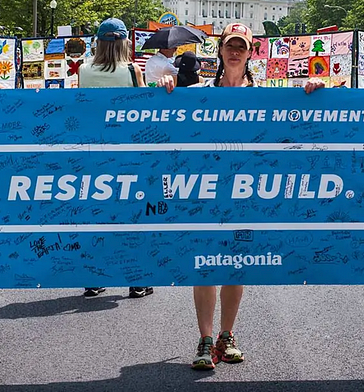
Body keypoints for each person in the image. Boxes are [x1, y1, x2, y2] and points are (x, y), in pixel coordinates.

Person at [156, 23, 325, 370]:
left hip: (247, 191)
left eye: (241, 47)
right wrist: (167, 86)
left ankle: (226, 336)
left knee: (236, 265)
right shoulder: (200, 92)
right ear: (220, 51)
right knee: (205, 265)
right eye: (229, 46)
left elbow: (298, 117)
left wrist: (316, 87)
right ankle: (204, 340)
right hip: (207, 190)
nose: (234, 52)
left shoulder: (264, 95)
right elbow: (173, 121)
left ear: (250, 53)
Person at [75, 18, 153, 300]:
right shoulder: (132, 70)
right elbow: (145, 110)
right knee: (132, 218)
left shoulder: (84, 71)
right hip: (127, 154)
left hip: (93, 155)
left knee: (96, 217)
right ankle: (137, 280)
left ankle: (93, 278)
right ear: (124, 43)